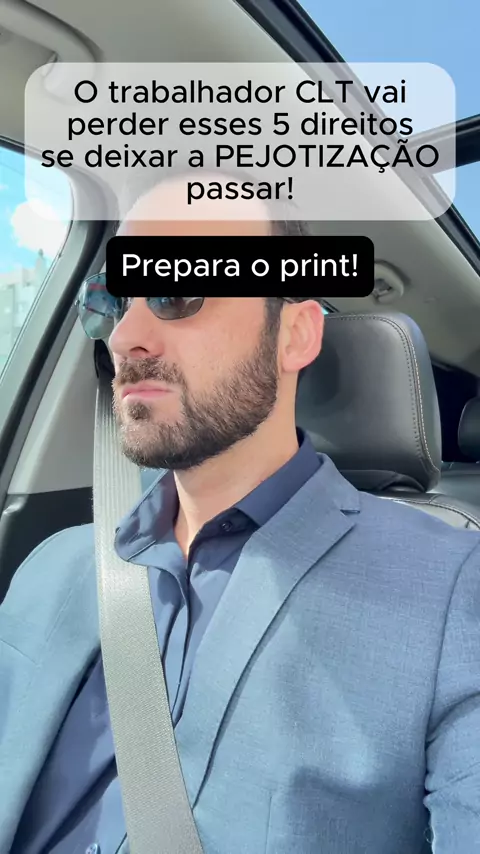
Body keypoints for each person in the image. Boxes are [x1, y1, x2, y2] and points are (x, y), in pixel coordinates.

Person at [1, 170, 480, 854]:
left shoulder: (454, 589)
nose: (125, 336)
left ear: (295, 335)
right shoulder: (51, 564)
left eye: (175, 290)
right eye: (110, 302)